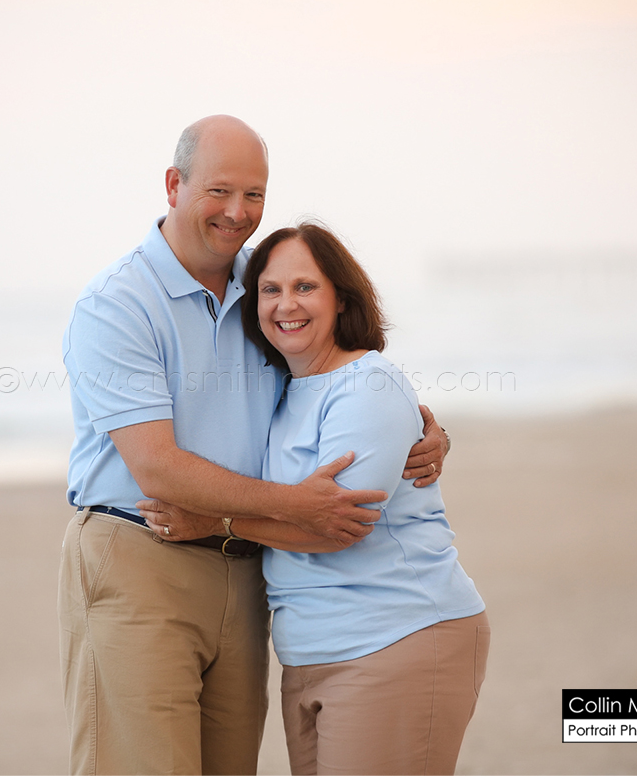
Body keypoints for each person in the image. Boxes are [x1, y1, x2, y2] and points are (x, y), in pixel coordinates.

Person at [59, 115, 450, 775]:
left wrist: (421, 425)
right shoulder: (117, 304)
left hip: (250, 571)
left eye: (254, 195)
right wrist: (297, 504)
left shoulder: (264, 289)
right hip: (140, 557)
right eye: (219, 191)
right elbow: (155, 465)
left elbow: (335, 381)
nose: (239, 212)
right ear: (173, 185)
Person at [143, 222, 488, 775]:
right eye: (270, 290)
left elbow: (337, 525)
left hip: (395, 635)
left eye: (305, 287)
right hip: (311, 654)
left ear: (341, 298)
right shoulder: (282, 390)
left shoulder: (367, 383)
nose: (286, 304)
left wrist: (215, 522)